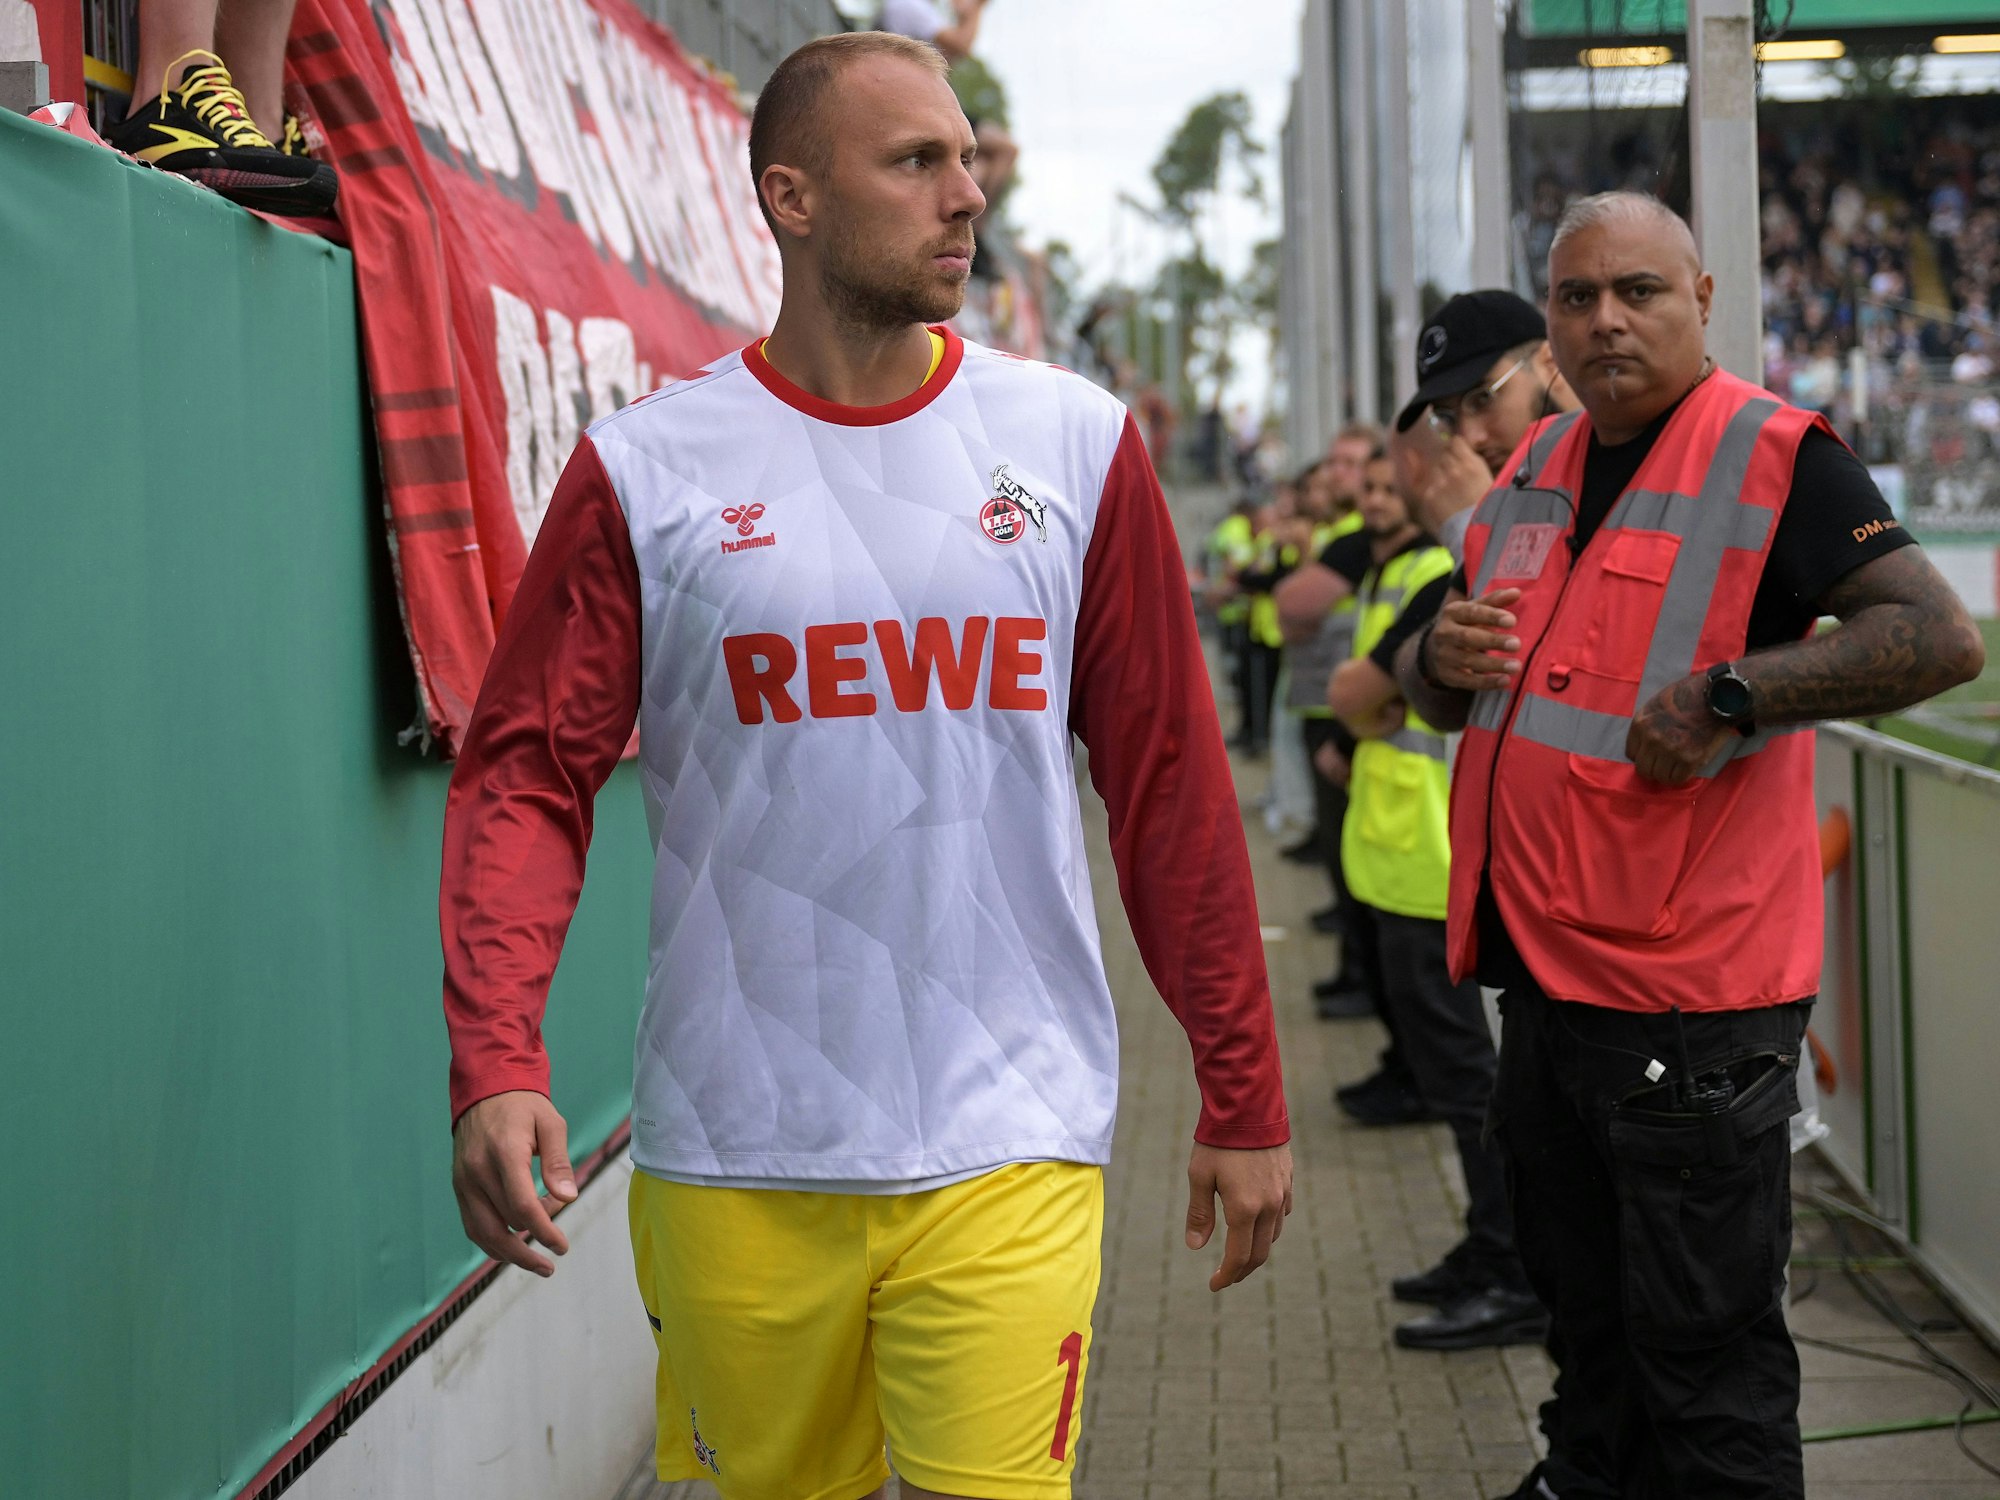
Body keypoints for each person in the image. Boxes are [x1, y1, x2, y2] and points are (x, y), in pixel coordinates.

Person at [439, 33, 1291, 1500]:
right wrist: (496, 1054)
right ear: (792, 198)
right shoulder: (649, 469)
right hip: (735, 1150)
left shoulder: (1075, 443)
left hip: (1011, 1134)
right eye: (917, 163)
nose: (967, 195)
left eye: (969, 161)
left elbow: (1166, 784)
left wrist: (1244, 1085)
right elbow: (526, 772)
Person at [1398, 191, 1985, 1500]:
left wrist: (1737, 696)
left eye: (1640, 292)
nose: (1608, 318)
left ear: (1703, 300)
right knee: (1591, 1330)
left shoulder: (1775, 454)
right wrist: (1437, 657)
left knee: (1707, 1368)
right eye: (1579, 297)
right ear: (1550, 326)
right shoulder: (1537, 471)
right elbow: (1453, 689)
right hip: (1549, 991)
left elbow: (1941, 638)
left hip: (1688, 1011)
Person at [1322, 446, 1544, 1351]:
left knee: (1469, 1082)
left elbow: (1357, 695)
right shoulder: (1402, 571)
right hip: (1397, 859)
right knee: (1457, 1081)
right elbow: (1357, 702)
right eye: (1375, 482)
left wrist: (1371, 707)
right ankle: (1489, 1251)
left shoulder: (1431, 572)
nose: (1385, 494)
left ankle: (1511, 1267)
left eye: (1396, 475)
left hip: (1429, 861)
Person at [106, 0, 336, 217]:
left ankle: (258, 129)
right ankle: (167, 101)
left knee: (264, 133)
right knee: (179, 74)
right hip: (164, 106)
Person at [876, 0, 988, 63]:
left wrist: (963, 16)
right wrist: (977, 5)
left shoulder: (923, 7)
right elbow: (960, 45)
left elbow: (947, 57)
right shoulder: (911, 5)